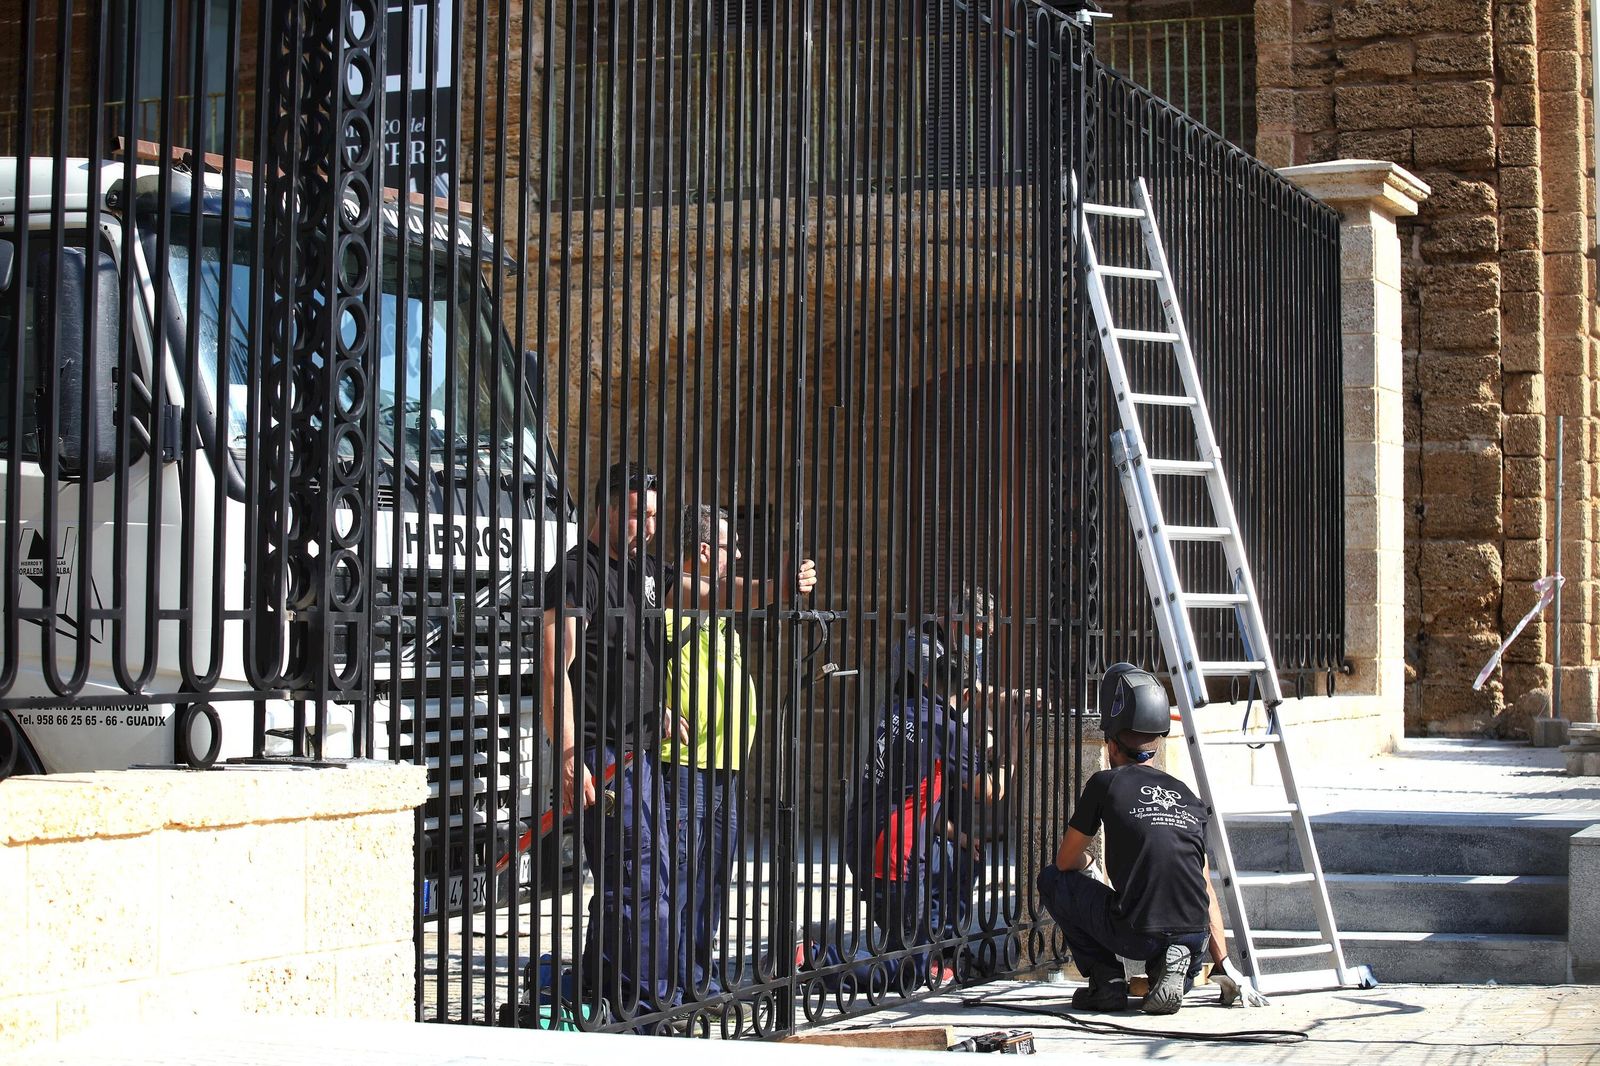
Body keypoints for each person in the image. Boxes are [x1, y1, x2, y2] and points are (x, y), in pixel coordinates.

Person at [1036, 662, 1264, 1015]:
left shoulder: (1104, 784)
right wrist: (1225, 965)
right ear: (1157, 743)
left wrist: (1089, 863)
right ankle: (1170, 967)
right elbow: (1205, 889)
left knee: (1052, 880)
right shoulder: (1187, 795)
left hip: (1138, 933)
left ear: (1111, 744)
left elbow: (1066, 862)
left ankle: (1107, 981)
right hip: (1195, 935)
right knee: (1176, 960)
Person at [660, 504, 817, 998]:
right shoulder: (671, 589)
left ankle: (697, 985)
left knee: (711, 885)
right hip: (684, 765)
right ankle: (666, 990)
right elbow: (730, 594)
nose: (740, 553)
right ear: (704, 551)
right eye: (731, 546)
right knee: (681, 883)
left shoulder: (715, 607)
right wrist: (782, 587)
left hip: (725, 765)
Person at [540, 461, 675, 1018]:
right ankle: (635, 1006)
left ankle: (599, 986)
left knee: (642, 874)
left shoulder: (640, 572)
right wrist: (570, 757)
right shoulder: (576, 574)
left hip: (638, 750)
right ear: (609, 506)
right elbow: (554, 670)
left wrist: (659, 709)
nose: (648, 526)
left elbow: (641, 650)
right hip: (601, 754)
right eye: (639, 514)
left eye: (653, 515)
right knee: (638, 879)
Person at [839, 629, 1012, 986]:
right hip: (892, 858)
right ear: (965, 695)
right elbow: (990, 792)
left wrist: (956, 835)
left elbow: (911, 799)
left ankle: (935, 942)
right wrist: (1008, 757)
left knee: (964, 858)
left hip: (864, 840)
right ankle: (817, 958)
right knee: (908, 975)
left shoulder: (899, 711)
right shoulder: (945, 729)